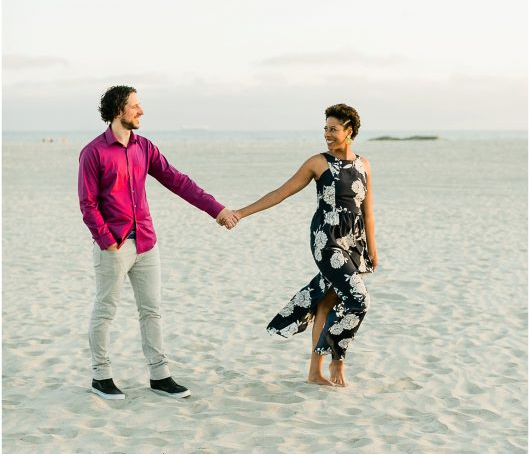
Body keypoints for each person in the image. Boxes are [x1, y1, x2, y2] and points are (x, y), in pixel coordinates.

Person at [78, 85, 239, 401]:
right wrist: (107, 240)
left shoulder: (144, 147)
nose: (141, 111)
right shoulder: (94, 152)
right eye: (135, 106)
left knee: (151, 311)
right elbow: (88, 203)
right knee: (105, 310)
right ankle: (101, 376)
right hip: (114, 245)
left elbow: (177, 180)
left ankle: (160, 376)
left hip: (146, 244)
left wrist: (216, 209)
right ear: (118, 110)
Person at [234, 104, 378, 387]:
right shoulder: (318, 163)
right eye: (325, 128)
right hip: (326, 240)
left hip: (354, 241)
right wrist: (241, 212)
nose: (327, 134)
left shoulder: (364, 165)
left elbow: (368, 212)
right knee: (359, 300)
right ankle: (337, 360)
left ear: (349, 131)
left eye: (333, 129)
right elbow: (281, 193)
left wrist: (373, 249)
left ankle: (315, 372)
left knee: (328, 301)